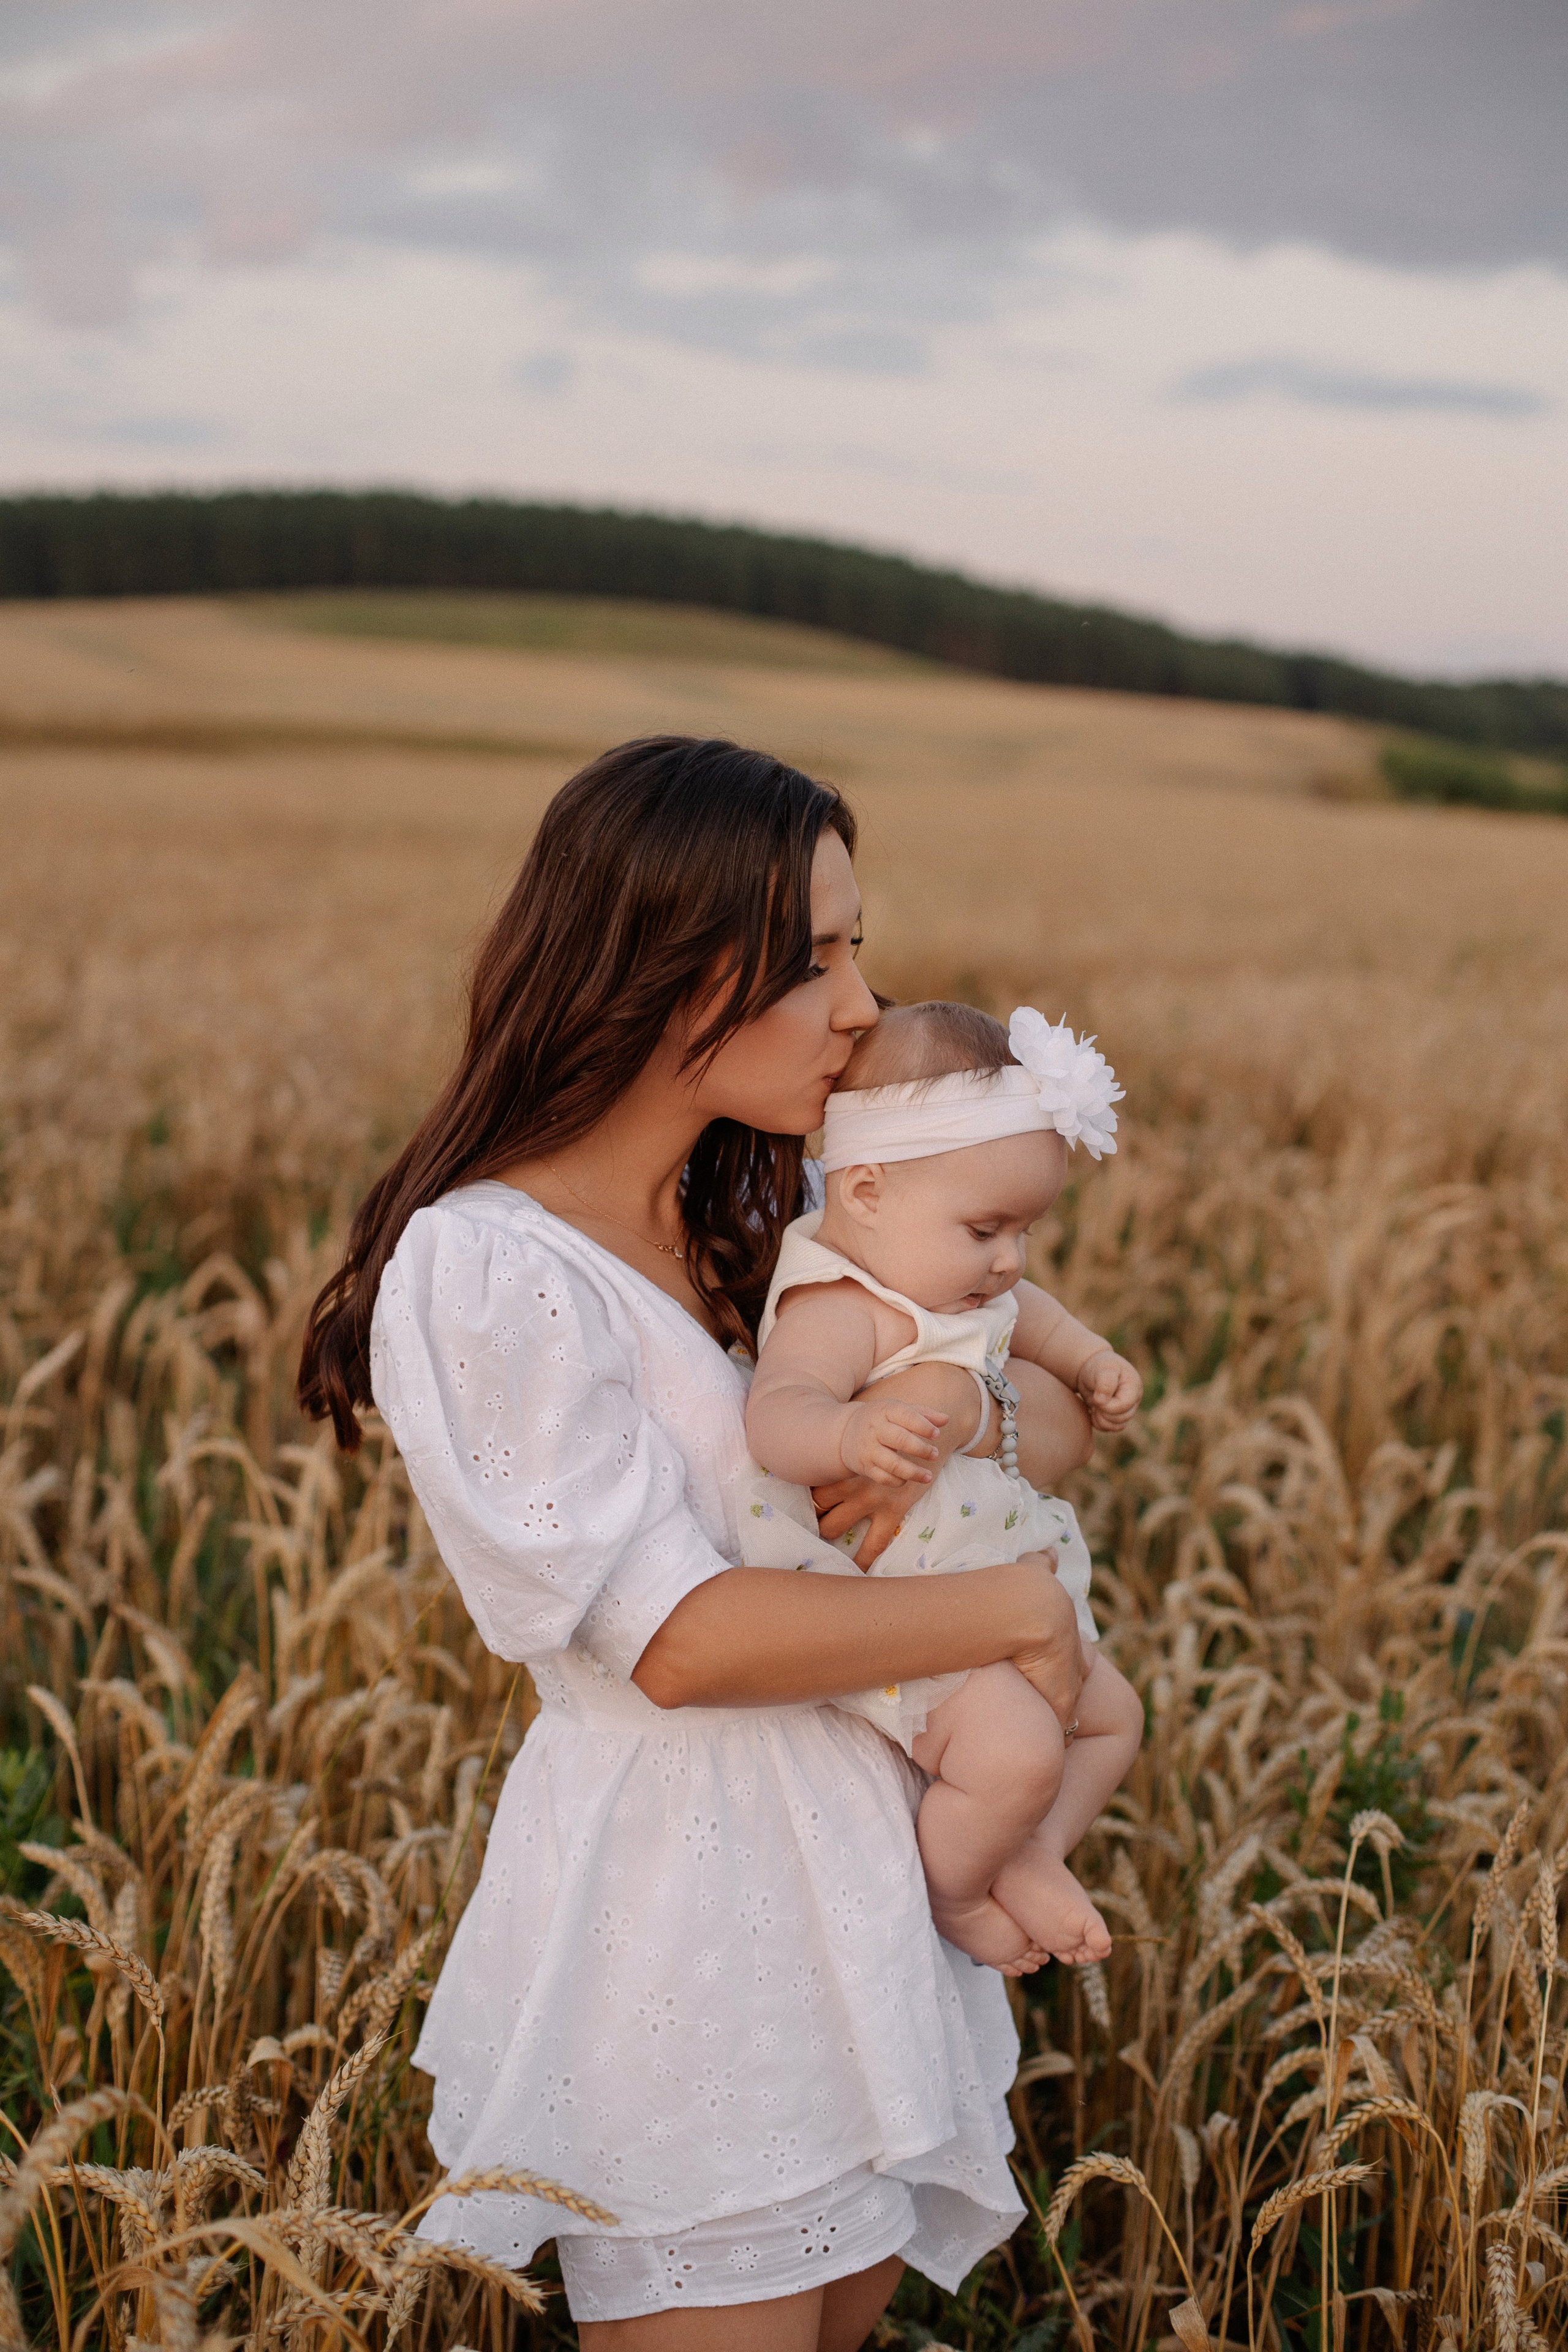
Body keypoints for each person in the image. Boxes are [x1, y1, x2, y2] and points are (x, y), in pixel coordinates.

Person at [298, 736, 1095, 2351]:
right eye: (817, 959)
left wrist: (980, 1430)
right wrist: (1006, 1601)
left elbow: (1036, 1417)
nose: (864, 1004)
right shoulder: (491, 1268)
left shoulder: (756, 1218)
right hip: (690, 1927)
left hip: (856, 1897)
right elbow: (680, 1643)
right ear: (669, 974)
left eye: (859, 946)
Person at [741, 1001, 1146, 1977]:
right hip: (905, 1610)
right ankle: (959, 1890)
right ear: (868, 1191)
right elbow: (774, 1413)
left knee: (1116, 1717)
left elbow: (1032, 1318)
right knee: (1014, 1752)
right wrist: (845, 1429)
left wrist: (1090, 1361)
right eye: (986, 1229)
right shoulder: (843, 1305)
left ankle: (1032, 1846)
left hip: (997, 1588)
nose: (1009, 1260)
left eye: (1023, 1231)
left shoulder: (961, 1280)